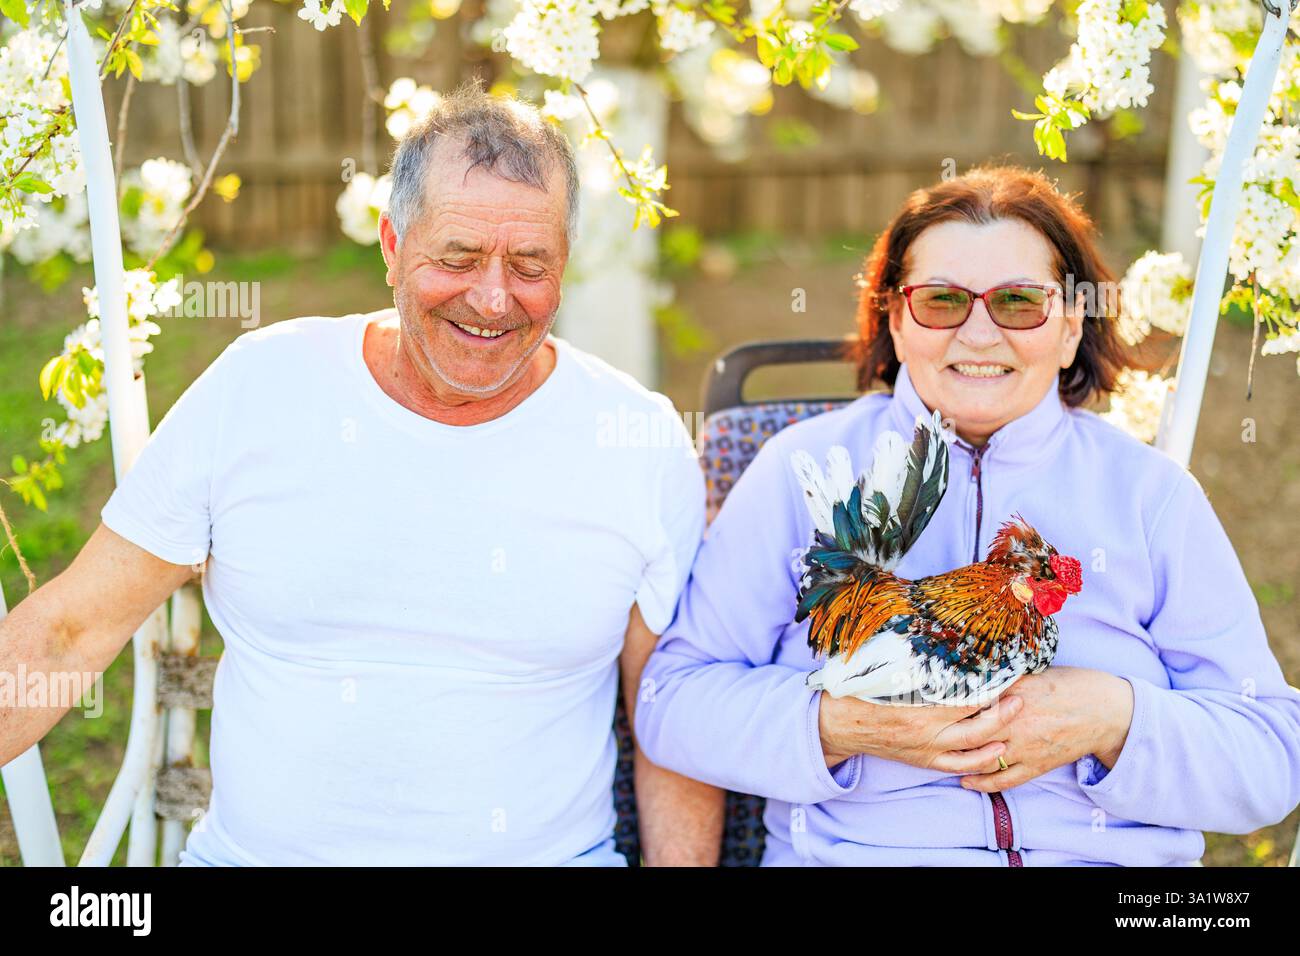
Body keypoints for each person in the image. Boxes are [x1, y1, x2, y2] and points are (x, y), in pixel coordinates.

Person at [0, 81, 725, 866]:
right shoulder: (260, 387)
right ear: (390, 244)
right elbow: (69, 632)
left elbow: (674, 715)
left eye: (529, 264)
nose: (492, 298)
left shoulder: (638, 442)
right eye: (458, 257)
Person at [635, 164, 1300, 866]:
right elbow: (671, 704)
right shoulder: (800, 470)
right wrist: (841, 726)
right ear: (895, 320)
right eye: (942, 300)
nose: (979, 334)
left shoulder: (1150, 495)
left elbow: (1271, 758)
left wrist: (1115, 718)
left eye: (1019, 302)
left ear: (1072, 326)